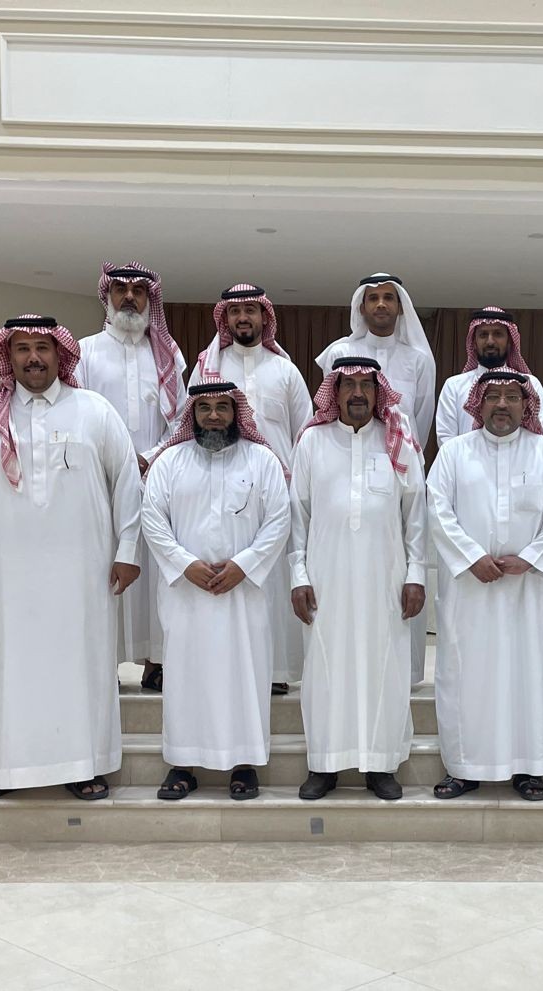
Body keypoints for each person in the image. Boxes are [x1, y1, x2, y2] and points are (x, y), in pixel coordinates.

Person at [0, 315, 143, 802]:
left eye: (42, 348)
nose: (33, 357)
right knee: (4, 669)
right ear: (8, 357)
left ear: (60, 354)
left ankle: (84, 764)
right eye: (22, 349)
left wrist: (128, 551)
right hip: (5, 576)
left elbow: (127, 484)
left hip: (82, 574)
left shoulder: (94, 411)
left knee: (81, 667)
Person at [426, 368, 543, 802]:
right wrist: (471, 556)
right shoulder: (454, 454)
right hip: (470, 589)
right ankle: (464, 767)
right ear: (478, 404)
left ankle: (530, 768)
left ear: (527, 405)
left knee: (532, 674)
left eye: (512, 396)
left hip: (530, 590)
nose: (503, 404)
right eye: (493, 396)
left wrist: (530, 558)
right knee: (467, 675)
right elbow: (438, 509)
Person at [140, 382, 291, 801]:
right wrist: (184, 564)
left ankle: (244, 764)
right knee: (185, 676)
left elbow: (279, 519)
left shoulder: (262, 460)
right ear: (192, 414)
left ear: (236, 412)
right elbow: (152, 518)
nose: (213, 415)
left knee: (245, 675)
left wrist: (244, 565)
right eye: (204, 407)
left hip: (244, 594)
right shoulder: (170, 462)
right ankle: (182, 764)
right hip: (186, 594)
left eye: (223, 407)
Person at [288, 357, 426, 800]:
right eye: (348, 385)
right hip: (325, 579)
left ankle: (381, 765)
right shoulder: (312, 442)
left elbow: (416, 514)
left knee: (384, 667)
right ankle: (324, 764)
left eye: (367, 385)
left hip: (386, 579)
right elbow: (297, 515)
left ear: (378, 392)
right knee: (325, 668)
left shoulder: (397, 440)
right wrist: (297, 574)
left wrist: (417, 574)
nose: (358, 393)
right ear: (335, 391)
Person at [189, 283, 313, 694]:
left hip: (279, 492)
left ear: (264, 317)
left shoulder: (285, 371)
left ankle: (275, 670)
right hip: (220, 488)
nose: (243, 318)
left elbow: (304, 434)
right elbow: (190, 424)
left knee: (273, 579)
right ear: (224, 318)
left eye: (251, 310)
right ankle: (226, 669)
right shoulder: (208, 367)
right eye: (235, 311)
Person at [315, 273, 439, 683]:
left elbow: (420, 420)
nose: (381, 305)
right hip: (342, 465)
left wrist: (398, 461)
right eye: (373, 298)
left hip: (398, 468)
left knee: (403, 568)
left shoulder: (418, 359)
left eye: (389, 298)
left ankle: (404, 672)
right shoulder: (339, 351)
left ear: (400, 307)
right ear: (361, 306)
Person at [75, 262, 187, 693]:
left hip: (155, 477)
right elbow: (77, 414)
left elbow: (182, 419)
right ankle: (103, 661)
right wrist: (117, 460)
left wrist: (150, 456)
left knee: (155, 571)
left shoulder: (167, 355)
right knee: (102, 567)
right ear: (106, 296)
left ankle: (156, 661)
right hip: (100, 479)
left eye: (138, 290)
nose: (128, 297)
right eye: (120, 289)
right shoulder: (84, 352)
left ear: (149, 299)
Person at [434, 306, 543, 445]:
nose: (490, 341)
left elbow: (540, 437)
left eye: (498, 334)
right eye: (483, 335)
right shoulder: (454, 386)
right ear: (474, 342)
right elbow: (446, 439)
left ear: (509, 340)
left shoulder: (529, 383)